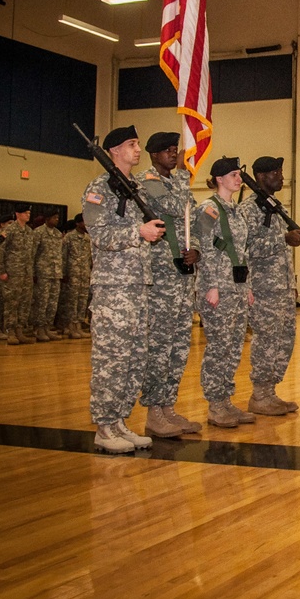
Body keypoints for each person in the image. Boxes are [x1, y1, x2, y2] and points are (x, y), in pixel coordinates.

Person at [83, 125, 167, 454]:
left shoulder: (134, 188)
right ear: (114, 150)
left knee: (134, 359)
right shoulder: (99, 188)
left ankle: (119, 422)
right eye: (132, 144)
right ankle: (104, 427)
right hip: (112, 289)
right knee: (111, 360)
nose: (137, 150)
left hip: (137, 288)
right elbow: (100, 235)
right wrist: (138, 231)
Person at [136, 132, 202, 438]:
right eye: (168, 151)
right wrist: (183, 177)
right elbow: (176, 207)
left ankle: (168, 408)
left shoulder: (176, 182)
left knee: (178, 347)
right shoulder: (147, 181)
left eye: (176, 150)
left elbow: (193, 223)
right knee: (159, 347)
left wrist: (197, 249)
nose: (174, 155)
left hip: (182, 275)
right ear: (153, 154)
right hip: (160, 277)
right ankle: (153, 413)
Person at [194, 157, 256, 429]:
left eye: (238, 174)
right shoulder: (209, 209)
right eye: (233, 174)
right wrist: (211, 285)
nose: (238, 179)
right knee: (219, 347)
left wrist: (248, 286)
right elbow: (204, 249)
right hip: (217, 287)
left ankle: (226, 400)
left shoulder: (237, 211)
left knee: (233, 348)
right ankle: (215, 404)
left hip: (237, 288)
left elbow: (241, 251)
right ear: (219, 179)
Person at [243, 156, 300, 417]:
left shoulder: (274, 207)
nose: (281, 177)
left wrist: (291, 283)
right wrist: (283, 239)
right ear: (260, 177)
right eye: (275, 172)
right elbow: (246, 247)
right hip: (262, 287)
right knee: (266, 341)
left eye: (281, 171)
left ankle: (270, 392)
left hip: (281, 287)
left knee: (284, 340)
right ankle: (260, 395)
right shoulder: (249, 210)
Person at [0, 203, 36, 345]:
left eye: (29, 213)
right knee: (12, 302)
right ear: (18, 214)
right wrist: (1, 271)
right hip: (13, 273)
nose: (28, 215)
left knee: (25, 302)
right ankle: (11, 332)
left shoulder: (30, 231)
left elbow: (32, 253)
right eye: (25, 213)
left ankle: (20, 331)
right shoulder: (9, 230)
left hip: (26, 273)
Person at [31, 210, 64, 342]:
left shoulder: (57, 234)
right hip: (42, 272)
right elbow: (33, 253)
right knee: (41, 302)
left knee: (52, 303)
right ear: (47, 218)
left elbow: (60, 253)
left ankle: (47, 327)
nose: (56, 220)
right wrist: (33, 273)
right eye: (54, 218)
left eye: (57, 218)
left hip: (55, 273)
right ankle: (38, 329)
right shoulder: (38, 232)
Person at [61, 214, 92, 339]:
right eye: (84, 222)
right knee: (72, 301)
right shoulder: (69, 238)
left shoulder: (87, 239)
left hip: (84, 274)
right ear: (78, 223)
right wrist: (63, 273)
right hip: (72, 274)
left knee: (82, 301)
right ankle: (71, 326)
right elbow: (63, 256)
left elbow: (90, 259)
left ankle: (78, 325)